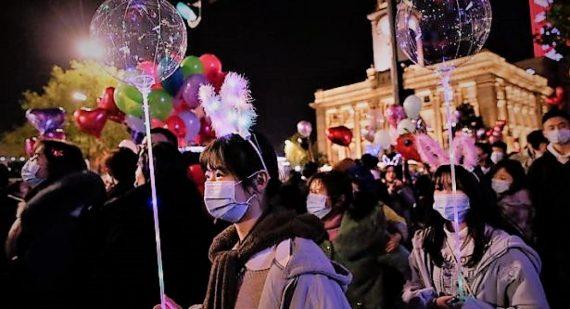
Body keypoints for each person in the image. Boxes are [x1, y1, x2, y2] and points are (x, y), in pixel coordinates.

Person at [160, 133, 351, 309]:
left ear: (259, 181)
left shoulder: (298, 261)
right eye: (208, 176)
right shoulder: (231, 254)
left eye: (219, 175)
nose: (210, 185)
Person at [403, 165, 548, 308]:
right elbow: (411, 287)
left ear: (472, 193)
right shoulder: (424, 243)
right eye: (440, 188)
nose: (446, 195)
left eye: (455, 188)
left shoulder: (504, 250)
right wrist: (431, 302)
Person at [95, 142, 214, 309]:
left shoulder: (132, 205)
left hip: (147, 291)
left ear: (147, 166)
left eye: (138, 165)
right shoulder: (192, 198)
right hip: (189, 290)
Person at [4, 140, 106, 308]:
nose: (32, 162)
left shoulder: (63, 201)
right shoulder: (46, 195)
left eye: (37, 157)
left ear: (56, 161)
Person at [307, 169, 410, 308]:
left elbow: (406, 264)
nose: (311, 198)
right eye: (311, 192)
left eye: (317, 193)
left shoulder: (367, 231)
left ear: (340, 199)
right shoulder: (306, 235)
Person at [528, 108, 570, 308]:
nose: (557, 131)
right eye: (551, 128)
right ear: (544, 133)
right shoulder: (539, 167)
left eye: (562, 126)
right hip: (553, 241)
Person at [489, 159, 534, 241]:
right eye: (494, 177)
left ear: (516, 179)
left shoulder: (516, 205)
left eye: (503, 178)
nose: (496, 180)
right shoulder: (498, 199)